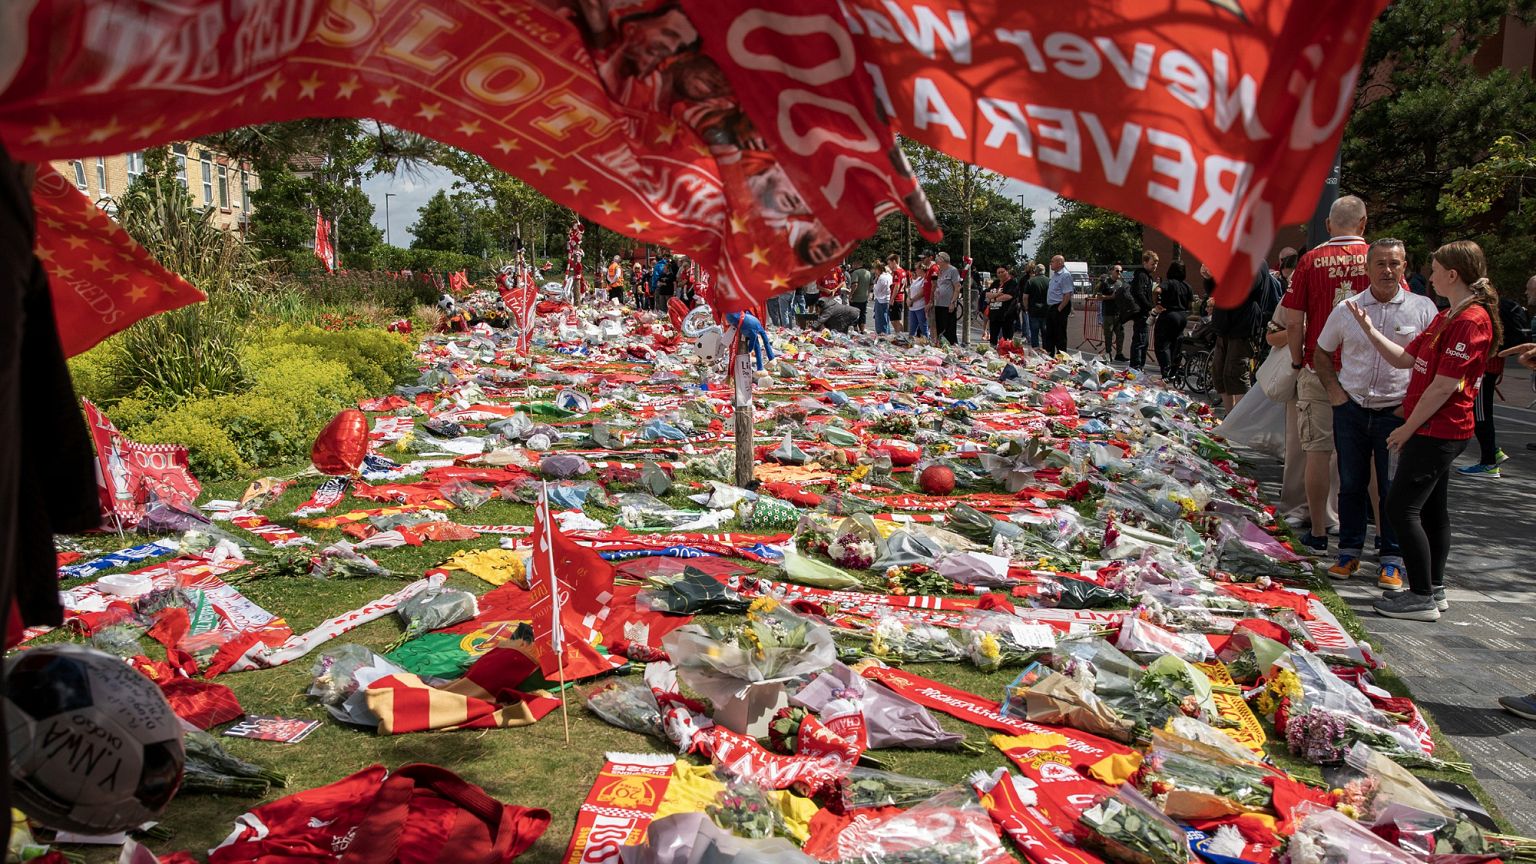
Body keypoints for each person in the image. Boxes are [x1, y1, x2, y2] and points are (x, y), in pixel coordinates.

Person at [1345, 240, 1498, 621]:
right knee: (1432, 509)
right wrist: (1367, 329)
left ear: (1452, 274)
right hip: (1432, 428)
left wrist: (1407, 428)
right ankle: (1434, 588)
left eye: (1433, 270)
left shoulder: (1470, 319)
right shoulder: (1446, 315)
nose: (1427, 277)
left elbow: (1444, 386)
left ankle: (1421, 595)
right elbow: (1404, 357)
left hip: (1439, 430)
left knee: (1400, 507)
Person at [1312, 238, 1437, 590]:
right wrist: (1336, 395)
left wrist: (1409, 406)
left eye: (1394, 263)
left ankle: (1392, 559)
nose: (1387, 270)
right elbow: (1321, 353)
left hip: (1395, 413)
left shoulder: (1422, 308)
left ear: (1405, 267)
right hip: (1351, 409)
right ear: (1366, 269)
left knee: (1391, 489)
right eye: (1380, 263)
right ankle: (1349, 551)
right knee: (1350, 484)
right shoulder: (1346, 308)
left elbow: (1428, 365)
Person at [1283, 194, 1370, 554]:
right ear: (1363, 224)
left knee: (1317, 451)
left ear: (1330, 225)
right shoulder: (1381, 259)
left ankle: (1318, 530)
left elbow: (1293, 319)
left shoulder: (1311, 260)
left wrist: (1295, 359)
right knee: (1371, 456)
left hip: (1319, 366)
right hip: (1366, 371)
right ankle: (1380, 538)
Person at [1457, 291, 1529, 477]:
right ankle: (1493, 451)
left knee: (1480, 414)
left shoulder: (1485, 313)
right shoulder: (1494, 311)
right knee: (1480, 411)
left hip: (1484, 368)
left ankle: (1489, 462)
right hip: (1491, 366)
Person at [1209, 262, 1266, 412]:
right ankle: (1230, 415)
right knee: (1219, 371)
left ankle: (1240, 419)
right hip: (1224, 325)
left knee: (1235, 372)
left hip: (1242, 327)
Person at [1152, 261, 1193, 379]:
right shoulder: (1187, 286)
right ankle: (1174, 370)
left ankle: (1166, 370)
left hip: (1168, 314)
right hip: (1182, 316)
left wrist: (1157, 304)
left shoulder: (1168, 283)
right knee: (1176, 344)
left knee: (1162, 344)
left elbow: (1157, 291)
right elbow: (1190, 306)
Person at [1127, 251, 1158, 368]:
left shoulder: (1147, 276)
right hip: (1141, 313)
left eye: (1156, 264)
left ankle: (1139, 366)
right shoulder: (1141, 275)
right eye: (1152, 264)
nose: (1154, 266)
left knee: (1143, 341)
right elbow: (1139, 293)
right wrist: (1149, 307)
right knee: (1140, 340)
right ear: (1145, 262)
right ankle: (1136, 367)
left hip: (1144, 312)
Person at [1043, 255, 1074, 354]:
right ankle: (1049, 353)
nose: (1050, 263)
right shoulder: (1055, 275)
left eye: (1052, 261)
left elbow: (1067, 294)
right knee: (1050, 332)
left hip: (1059, 306)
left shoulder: (1065, 275)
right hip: (1051, 306)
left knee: (1059, 333)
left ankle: (1061, 355)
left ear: (1060, 263)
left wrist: (1059, 309)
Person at [1099, 264, 1129, 361]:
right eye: (1117, 271)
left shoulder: (1121, 283)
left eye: (1121, 271)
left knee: (1121, 334)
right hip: (1108, 313)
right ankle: (1108, 353)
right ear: (1112, 271)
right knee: (1108, 334)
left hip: (1118, 313)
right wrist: (1110, 297)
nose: (1119, 273)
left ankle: (1119, 354)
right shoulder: (1105, 283)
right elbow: (1099, 297)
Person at [986, 265, 1021, 345]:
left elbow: (1008, 296)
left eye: (1002, 272)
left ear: (1007, 272)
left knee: (1006, 339)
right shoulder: (995, 283)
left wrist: (994, 298)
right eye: (998, 272)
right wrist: (998, 294)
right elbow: (987, 294)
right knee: (993, 338)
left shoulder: (1012, 283)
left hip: (1007, 315)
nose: (1000, 274)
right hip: (994, 314)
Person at [932, 252, 961, 344]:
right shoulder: (940, 271)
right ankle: (941, 345)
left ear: (943, 259)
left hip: (948, 305)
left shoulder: (953, 270)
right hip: (939, 303)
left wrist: (953, 302)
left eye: (938, 258)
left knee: (949, 329)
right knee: (940, 327)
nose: (936, 259)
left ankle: (951, 345)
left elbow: (957, 287)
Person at [908, 250, 934, 339]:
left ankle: (927, 342)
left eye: (917, 269)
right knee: (912, 329)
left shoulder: (924, 279)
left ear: (922, 269)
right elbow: (910, 289)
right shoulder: (917, 279)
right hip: (912, 307)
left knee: (924, 328)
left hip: (920, 306)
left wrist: (912, 300)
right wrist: (908, 299)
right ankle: (910, 342)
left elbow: (923, 292)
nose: (915, 271)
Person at [1024, 263, 1049, 349]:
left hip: (1034, 310)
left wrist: (1026, 308)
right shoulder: (1049, 281)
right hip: (1046, 310)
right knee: (1045, 332)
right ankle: (1046, 350)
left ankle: (1036, 349)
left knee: (1034, 332)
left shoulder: (1030, 281)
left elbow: (1025, 297)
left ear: (1036, 271)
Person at [849, 261, 873, 332]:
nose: (852, 265)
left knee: (854, 314)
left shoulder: (855, 273)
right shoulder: (868, 273)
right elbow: (871, 284)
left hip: (855, 298)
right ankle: (862, 330)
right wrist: (868, 293)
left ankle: (855, 330)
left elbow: (855, 284)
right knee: (863, 314)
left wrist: (851, 294)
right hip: (864, 297)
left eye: (853, 264)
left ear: (857, 264)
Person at [871, 262, 893, 335]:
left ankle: (882, 334)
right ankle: (886, 333)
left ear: (878, 269)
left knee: (880, 319)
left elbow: (877, 290)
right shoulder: (889, 276)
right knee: (885, 318)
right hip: (886, 298)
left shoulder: (882, 277)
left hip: (881, 299)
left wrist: (875, 284)